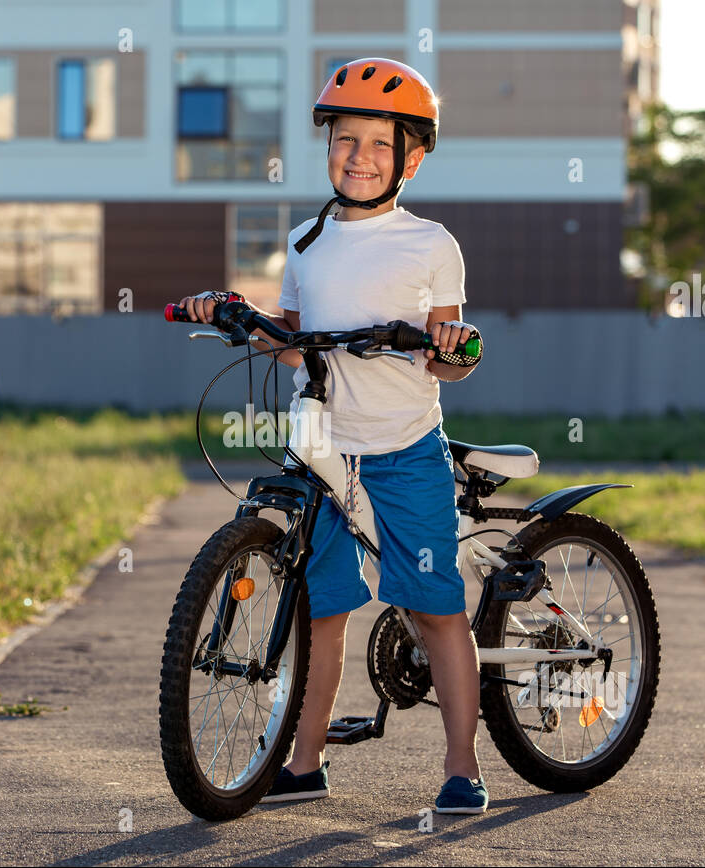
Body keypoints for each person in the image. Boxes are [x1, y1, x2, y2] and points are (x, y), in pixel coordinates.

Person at [175, 57, 486, 814]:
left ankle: (462, 766)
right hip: (320, 445)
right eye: (346, 140)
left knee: (434, 606)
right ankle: (304, 762)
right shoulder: (307, 240)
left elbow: (451, 361)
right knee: (322, 607)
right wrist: (234, 313)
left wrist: (451, 351)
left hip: (403, 444)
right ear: (327, 147)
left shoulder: (430, 243)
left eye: (380, 145)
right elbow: (294, 339)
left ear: (411, 157)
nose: (359, 156)